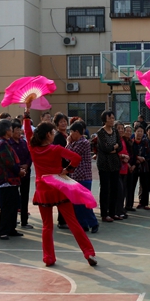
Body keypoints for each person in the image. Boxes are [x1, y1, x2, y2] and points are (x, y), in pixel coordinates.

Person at [24, 109, 97, 267]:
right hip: (58, 187)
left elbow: (28, 133)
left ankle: (48, 258)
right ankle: (88, 252)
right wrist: (68, 170)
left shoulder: (33, 149)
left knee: (47, 226)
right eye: (52, 131)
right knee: (73, 222)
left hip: (43, 190)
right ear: (49, 135)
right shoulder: (56, 149)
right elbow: (76, 158)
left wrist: (26, 115)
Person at [0, 118, 24, 240]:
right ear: (6, 131)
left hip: (12, 180)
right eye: (11, 129)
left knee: (13, 206)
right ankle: (3, 231)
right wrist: (19, 171)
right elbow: (9, 162)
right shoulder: (2, 144)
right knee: (7, 207)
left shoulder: (5, 143)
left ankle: (11, 229)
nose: (12, 131)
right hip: (6, 180)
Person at [66, 121, 99, 233]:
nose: (70, 135)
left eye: (71, 132)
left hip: (83, 177)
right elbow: (67, 155)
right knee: (76, 203)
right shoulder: (75, 142)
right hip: (75, 177)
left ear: (76, 132)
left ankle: (93, 223)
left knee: (84, 202)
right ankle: (83, 224)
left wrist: (67, 142)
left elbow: (69, 154)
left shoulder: (83, 142)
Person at [95, 110, 124, 222]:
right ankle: (104, 213)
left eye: (113, 118)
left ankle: (113, 213)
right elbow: (105, 148)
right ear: (104, 119)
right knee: (105, 189)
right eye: (110, 118)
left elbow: (120, 146)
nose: (112, 120)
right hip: (104, 164)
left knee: (114, 189)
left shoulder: (115, 131)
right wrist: (114, 147)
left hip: (115, 163)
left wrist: (114, 148)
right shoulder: (101, 132)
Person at [10, 119, 34, 230]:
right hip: (14, 175)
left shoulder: (24, 142)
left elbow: (30, 155)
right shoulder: (9, 144)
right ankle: (13, 221)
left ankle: (24, 221)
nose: (19, 131)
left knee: (25, 197)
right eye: (17, 129)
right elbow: (10, 159)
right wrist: (19, 167)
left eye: (20, 129)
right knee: (14, 199)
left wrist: (27, 165)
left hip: (26, 173)